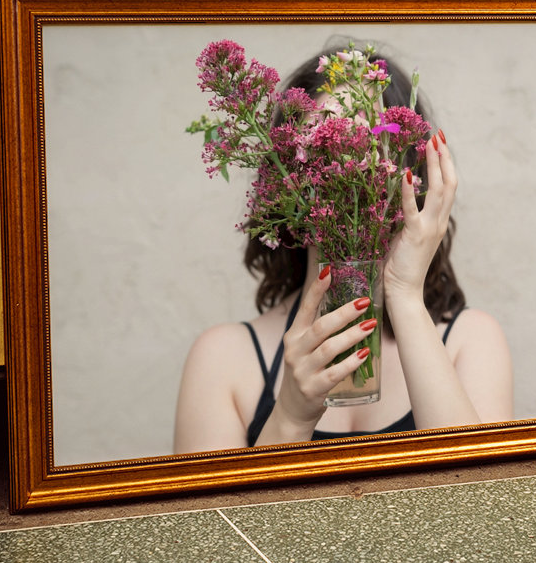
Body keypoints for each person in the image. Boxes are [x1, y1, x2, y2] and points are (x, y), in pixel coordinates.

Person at [173, 48, 514, 452]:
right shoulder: (223, 358)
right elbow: (222, 518)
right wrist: (291, 416)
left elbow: (479, 506)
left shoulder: (469, 341)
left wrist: (402, 292)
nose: (347, 158)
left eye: (368, 137)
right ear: (286, 175)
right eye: (326, 139)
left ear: (408, 167)